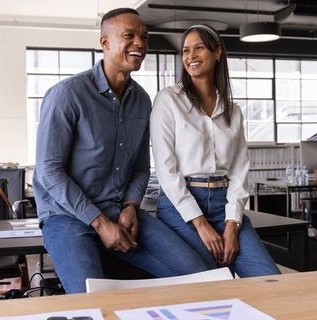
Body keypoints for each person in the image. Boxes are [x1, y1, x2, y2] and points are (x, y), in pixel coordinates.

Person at [32, 8, 207, 294]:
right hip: (66, 216)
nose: (139, 43)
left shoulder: (141, 100)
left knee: (198, 276)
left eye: (144, 37)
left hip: (119, 211)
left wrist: (130, 206)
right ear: (105, 42)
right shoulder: (67, 94)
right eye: (129, 35)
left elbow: (140, 166)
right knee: (90, 299)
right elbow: (49, 172)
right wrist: (100, 223)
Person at [150, 24, 280, 277]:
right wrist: (200, 224)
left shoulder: (234, 111)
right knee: (210, 278)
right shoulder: (168, 100)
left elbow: (240, 171)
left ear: (217, 52)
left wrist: (232, 225)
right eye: (186, 50)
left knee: (268, 277)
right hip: (181, 206)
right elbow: (166, 171)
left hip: (225, 206)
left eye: (199, 48)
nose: (191, 56)